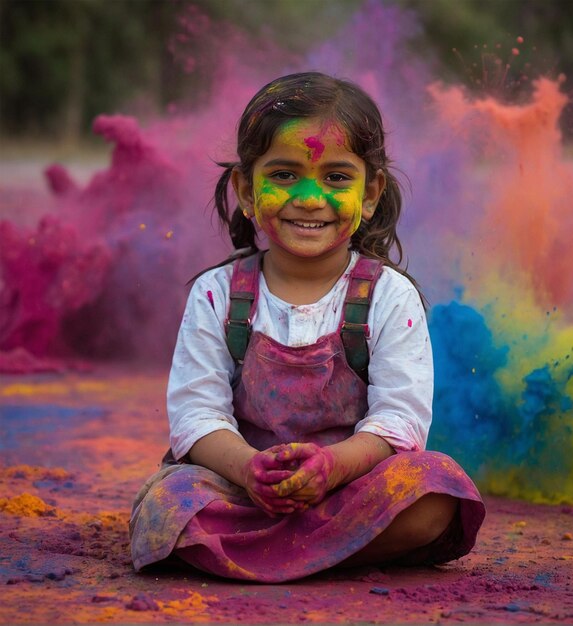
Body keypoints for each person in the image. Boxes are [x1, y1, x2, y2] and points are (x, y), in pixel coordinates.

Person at [129, 72, 485, 582]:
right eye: (285, 174)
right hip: (241, 489)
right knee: (168, 503)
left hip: (352, 488)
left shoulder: (389, 296)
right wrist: (250, 472)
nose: (311, 197)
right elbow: (195, 416)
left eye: (337, 177)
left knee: (436, 489)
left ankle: (256, 557)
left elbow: (399, 423)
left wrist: (331, 469)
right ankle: (330, 553)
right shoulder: (216, 294)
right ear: (247, 190)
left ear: (370, 193)